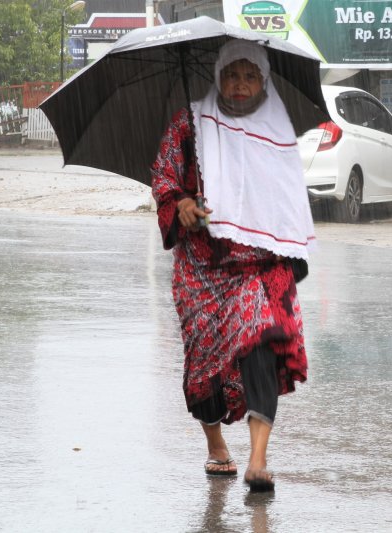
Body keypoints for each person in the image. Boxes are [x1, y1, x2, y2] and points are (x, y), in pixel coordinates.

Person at [151, 39, 315, 492]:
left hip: (258, 268)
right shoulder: (189, 123)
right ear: (218, 77)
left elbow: (286, 201)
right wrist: (181, 202)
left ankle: (258, 459)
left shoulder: (278, 133)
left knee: (260, 341)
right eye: (231, 74)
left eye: (250, 76)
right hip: (202, 269)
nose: (239, 85)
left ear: (263, 81)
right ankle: (216, 443)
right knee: (204, 361)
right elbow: (164, 179)